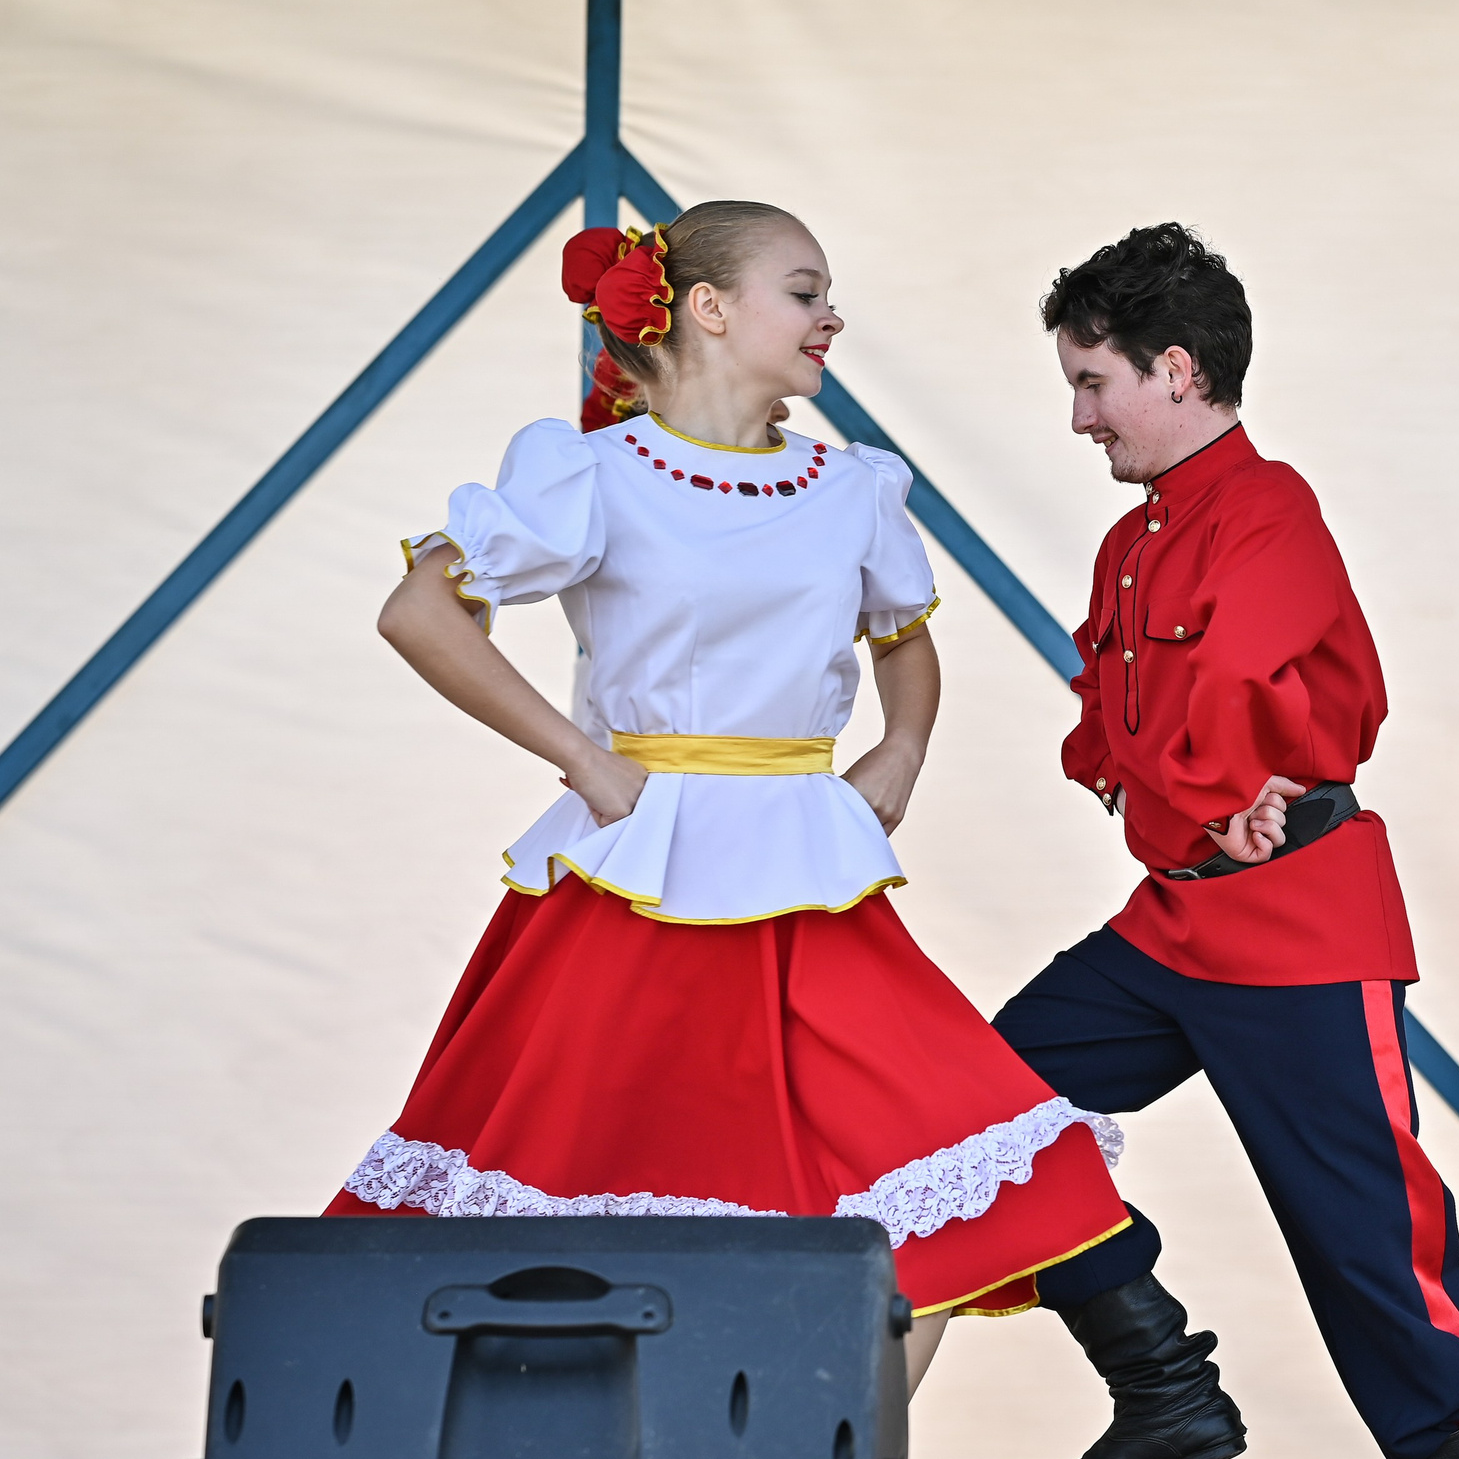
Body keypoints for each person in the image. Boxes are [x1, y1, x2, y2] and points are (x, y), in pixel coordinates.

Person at [329, 203, 1131, 1392]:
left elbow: (904, 641)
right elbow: (417, 612)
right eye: (804, 292)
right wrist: (583, 758)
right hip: (638, 880)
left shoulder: (849, 483)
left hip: (810, 874)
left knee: (943, 1172)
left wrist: (901, 750)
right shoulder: (590, 472)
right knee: (573, 1218)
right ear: (707, 308)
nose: (831, 316)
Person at [987, 223, 1459, 1459]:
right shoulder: (1134, 538)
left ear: (1176, 370)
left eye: (1093, 379)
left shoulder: (1268, 506)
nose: (1077, 413)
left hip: (1295, 919)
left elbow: (1234, 695)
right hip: (1175, 919)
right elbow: (1114, 727)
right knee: (974, 1104)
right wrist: (1173, 800)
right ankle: (1163, 1379)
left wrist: (1217, 792)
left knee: (1365, 1234)